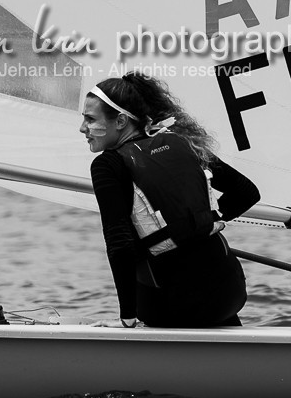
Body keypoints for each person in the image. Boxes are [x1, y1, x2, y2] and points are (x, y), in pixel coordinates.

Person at [81, 73, 260, 328]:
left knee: (164, 283)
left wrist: (128, 319)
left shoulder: (108, 164)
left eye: (90, 119)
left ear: (120, 121)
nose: (83, 128)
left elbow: (119, 244)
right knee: (206, 292)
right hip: (230, 294)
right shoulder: (182, 141)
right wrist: (208, 221)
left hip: (172, 305)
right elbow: (247, 193)